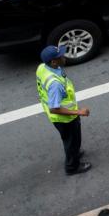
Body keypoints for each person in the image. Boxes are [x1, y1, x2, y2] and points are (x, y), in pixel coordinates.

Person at [36, 45, 91, 175]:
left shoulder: (42, 67)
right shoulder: (55, 84)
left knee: (70, 140)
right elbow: (54, 109)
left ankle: (75, 152)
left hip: (60, 117)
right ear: (54, 62)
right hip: (65, 119)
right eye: (60, 56)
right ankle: (72, 167)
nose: (64, 56)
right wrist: (79, 112)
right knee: (71, 142)